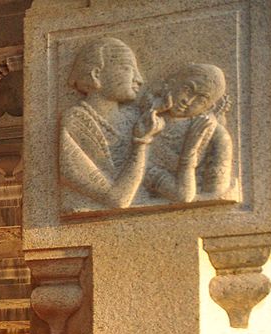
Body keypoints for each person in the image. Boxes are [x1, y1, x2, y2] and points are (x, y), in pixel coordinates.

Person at [60, 37, 164, 214]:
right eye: (127, 68)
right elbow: (118, 199)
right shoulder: (76, 122)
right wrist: (142, 142)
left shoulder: (134, 118)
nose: (139, 79)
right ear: (96, 75)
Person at [142, 63, 235, 204]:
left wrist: (190, 150)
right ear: (172, 83)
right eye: (187, 89)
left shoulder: (217, 137)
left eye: (201, 99)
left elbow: (213, 196)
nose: (188, 100)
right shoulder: (141, 119)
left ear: (209, 106)